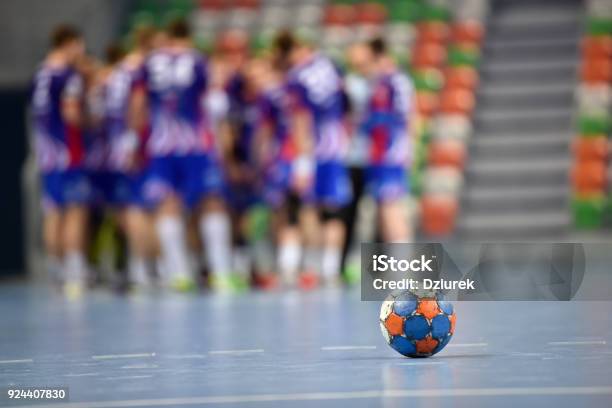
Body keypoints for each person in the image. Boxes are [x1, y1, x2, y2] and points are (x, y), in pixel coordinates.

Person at [141, 18, 235, 292]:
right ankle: (221, 273)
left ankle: (178, 274)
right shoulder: (198, 61)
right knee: (212, 202)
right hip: (195, 144)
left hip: (161, 144)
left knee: (167, 205)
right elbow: (216, 104)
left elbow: (137, 105)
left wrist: (134, 141)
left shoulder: (149, 63)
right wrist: (222, 143)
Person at [274, 31, 353, 287]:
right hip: (335, 148)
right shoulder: (332, 66)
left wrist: (303, 163)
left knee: (306, 208)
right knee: (334, 211)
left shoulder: (297, 77)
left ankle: (311, 267)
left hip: (313, 151)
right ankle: (330, 270)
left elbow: (301, 121)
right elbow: (347, 105)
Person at [30, 25, 90, 296]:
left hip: (46, 154)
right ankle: (75, 273)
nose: (82, 51)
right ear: (69, 43)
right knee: (75, 211)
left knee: (53, 212)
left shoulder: (40, 72)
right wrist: (92, 122)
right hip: (67, 152)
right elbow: (71, 114)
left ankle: (55, 272)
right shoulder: (68, 75)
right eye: (80, 45)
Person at [99, 27, 158, 289]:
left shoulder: (117, 72)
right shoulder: (138, 70)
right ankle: (146, 269)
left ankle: (140, 268)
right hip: (134, 146)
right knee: (140, 208)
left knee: (128, 208)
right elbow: (137, 107)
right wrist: (134, 141)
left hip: (114, 146)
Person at [357, 38, 414, 242]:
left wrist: (407, 150)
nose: (362, 70)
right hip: (379, 154)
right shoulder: (379, 83)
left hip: (391, 154)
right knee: (383, 210)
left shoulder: (395, 82)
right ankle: (388, 269)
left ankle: (405, 269)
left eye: (364, 64)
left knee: (392, 210)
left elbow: (408, 118)